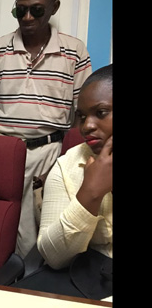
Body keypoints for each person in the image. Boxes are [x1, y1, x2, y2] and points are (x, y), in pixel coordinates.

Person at [0, 0, 92, 257]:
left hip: (50, 153)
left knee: (40, 234)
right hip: (2, 152)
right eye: (20, 10)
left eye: (36, 10)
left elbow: (82, 114)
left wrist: (63, 156)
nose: (27, 18)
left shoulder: (75, 52)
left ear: (54, 7)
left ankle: (30, 291)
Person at [11, 64, 112, 299]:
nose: (87, 126)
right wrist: (90, 195)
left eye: (101, 112)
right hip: (88, 277)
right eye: (82, 116)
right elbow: (53, 257)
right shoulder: (66, 166)